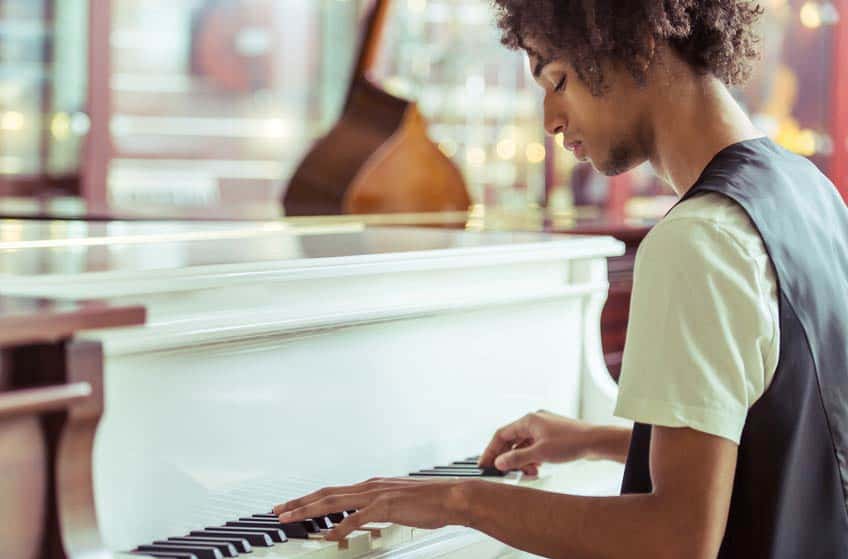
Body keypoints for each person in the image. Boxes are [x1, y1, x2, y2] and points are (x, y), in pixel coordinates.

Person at [274, 2, 848, 557]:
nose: (549, 119)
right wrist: (595, 440)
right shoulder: (811, 194)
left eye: (558, 80)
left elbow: (674, 539)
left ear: (635, 43)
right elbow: (785, 450)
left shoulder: (700, 239)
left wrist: (459, 498)